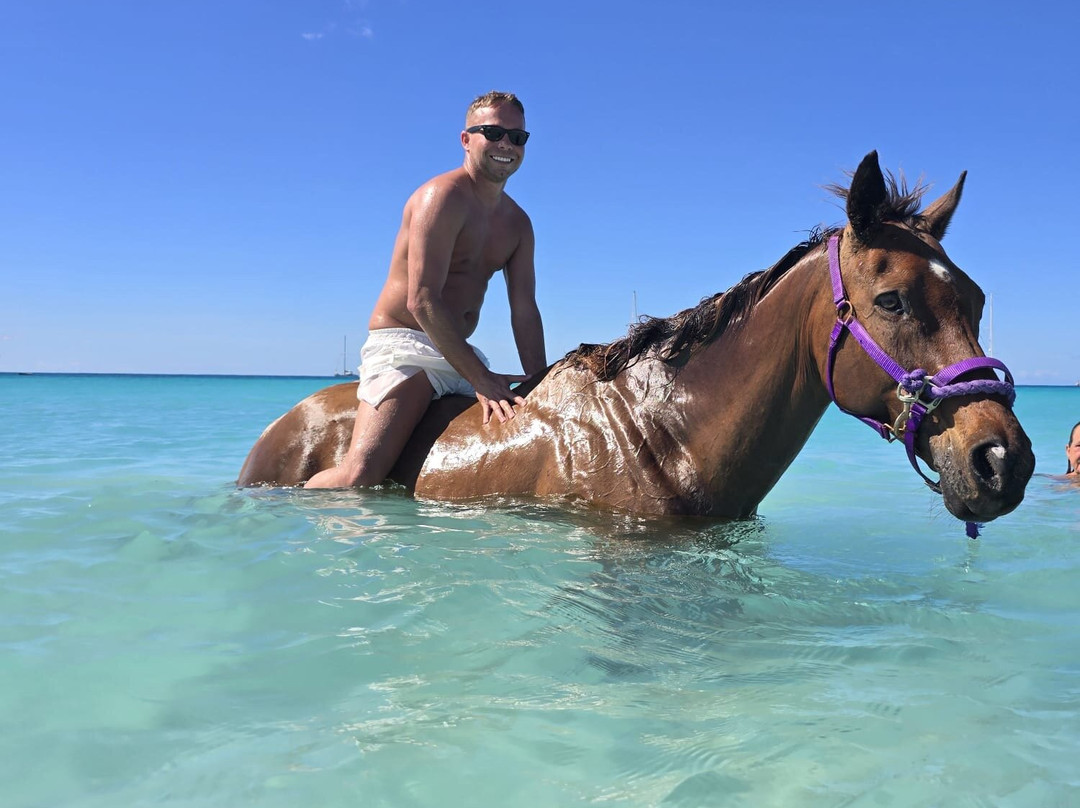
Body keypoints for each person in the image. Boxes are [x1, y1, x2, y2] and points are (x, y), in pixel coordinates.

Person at [305, 91, 547, 489]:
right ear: (466, 139)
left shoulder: (518, 223)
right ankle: (282, 509)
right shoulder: (442, 196)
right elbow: (422, 299)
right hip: (405, 346)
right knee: (361, 476)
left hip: (461, 354)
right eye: (493, 132)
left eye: (517, 138)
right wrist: (482, 379)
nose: (506, 144)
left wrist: (539, 380)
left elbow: (524, 309)